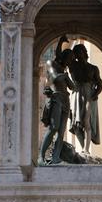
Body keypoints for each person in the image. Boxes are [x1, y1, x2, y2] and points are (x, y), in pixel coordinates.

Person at [39, 35, 75, 165]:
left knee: (61, 132)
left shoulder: (64, 69)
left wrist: (67, 78)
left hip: (66, 100)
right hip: (56, 98)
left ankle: (56, 158)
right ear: (64, 57)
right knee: (53, 128)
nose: (70, 63)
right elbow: (54, 78)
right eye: (69, 59)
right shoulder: (51, 64)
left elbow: (72, 86)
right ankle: (40, 157)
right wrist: (65, 76)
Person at [68, 43, 102, 154]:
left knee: (86, 122)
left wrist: (96, 94)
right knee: (76, 125)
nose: (78, 55)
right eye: (76, 53)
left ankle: (86, 150)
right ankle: (84, 149)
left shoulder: (93, 68)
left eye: (80, 52)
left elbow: (100, 84)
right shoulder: (73, 65)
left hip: (89, 95)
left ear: (84, 52)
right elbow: (60, 56)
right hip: (76, 94)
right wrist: (61, 42)